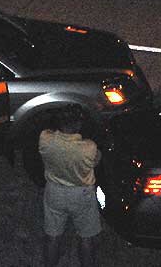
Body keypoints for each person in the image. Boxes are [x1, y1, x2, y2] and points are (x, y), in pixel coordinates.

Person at [38, 105, 102, 267]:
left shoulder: (45, 138)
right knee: (86, 237)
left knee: (53, 236)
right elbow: (97, 160)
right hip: (81, 194)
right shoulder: (89, 147)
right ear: (79, 124)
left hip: (54, 191)